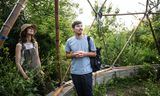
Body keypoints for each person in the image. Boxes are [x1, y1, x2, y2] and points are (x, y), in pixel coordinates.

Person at [65, 21, 96, 96]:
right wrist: (73, 55)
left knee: (88, 93)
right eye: (78, 26)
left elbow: (94, 53)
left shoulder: (89, 39)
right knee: (80, 93)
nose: (80, 28)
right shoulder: (69, 41)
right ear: (73, 29)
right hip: (75, 72)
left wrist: (85, 53)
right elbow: (67, 55)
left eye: (81, 26)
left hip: (87, 72)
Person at [15, 24, 45, 95]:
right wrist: (24, 75)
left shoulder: (35, 44)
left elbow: (37, 57)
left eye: (32, 28)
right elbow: (17, 63)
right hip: (26, 71)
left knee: (41, 89)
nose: (32, 29)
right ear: (24, 31)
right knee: (28, 91)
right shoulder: (19, 45)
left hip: (36, 71)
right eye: (29, 28)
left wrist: (40, 69)